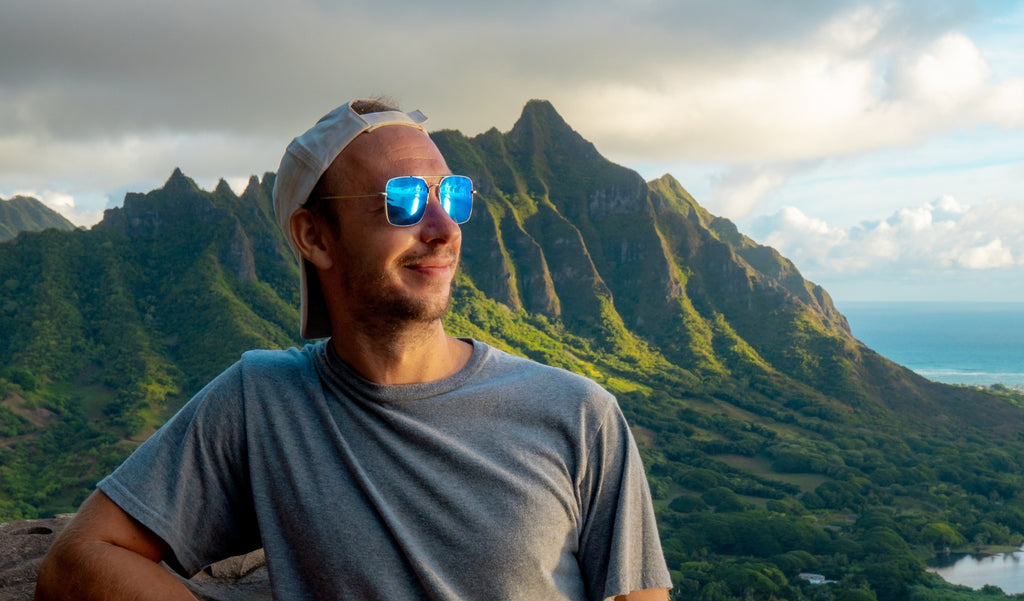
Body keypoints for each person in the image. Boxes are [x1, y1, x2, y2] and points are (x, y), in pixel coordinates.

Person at [35, 98, 672, 601]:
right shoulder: (262, 400)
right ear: (315, 237)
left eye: (453, 197)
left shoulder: (578, 413)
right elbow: (78, 563)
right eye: (401, 202)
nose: (443, 228)